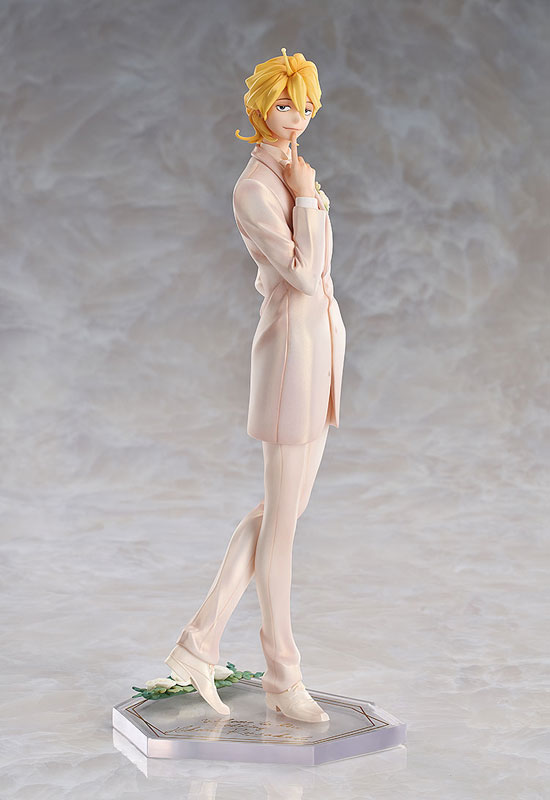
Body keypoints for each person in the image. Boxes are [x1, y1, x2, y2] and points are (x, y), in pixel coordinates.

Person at [165, 48, 346, 724]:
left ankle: (199, 642)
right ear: (260, 108)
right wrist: (307, 197)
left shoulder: (294, 172)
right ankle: (282, 677)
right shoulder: (257, 188)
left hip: (318, 351)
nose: (296, 118)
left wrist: (305, 189)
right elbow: (304, 275)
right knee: (282, 530)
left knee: (281, 515)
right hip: (290, 357)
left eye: (305, 105)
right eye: (284, 105)